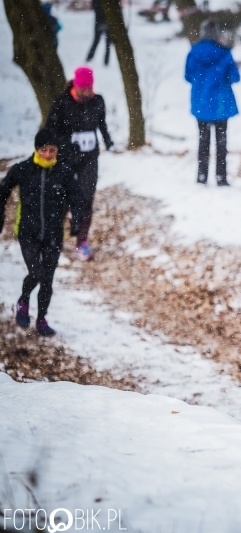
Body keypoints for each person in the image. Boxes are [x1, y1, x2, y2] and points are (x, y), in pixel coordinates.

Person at [0, 130, 85, 337]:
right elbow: (2, 193)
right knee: (36, 272)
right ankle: (23, 301)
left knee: (47, 279)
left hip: (54, 234)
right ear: (37, 149)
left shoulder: (63, 172)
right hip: (27, 232)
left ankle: (41, 319)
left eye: (52, 150)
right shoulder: (23, 169)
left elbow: (77, 199)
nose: (48, 154)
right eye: (44, 150)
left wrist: (77, 222)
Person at [45, 66, 114, 262]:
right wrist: (67, 145)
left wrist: (107, 139)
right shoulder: (62, 103)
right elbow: (51, 130)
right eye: (84, 89)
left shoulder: (97, 102)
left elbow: (102, 123)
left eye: (90, 88)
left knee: (86, 197)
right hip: (66, 158)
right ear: (76, 86)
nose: (87, 93)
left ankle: (81, 240)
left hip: (89, 157)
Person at [184, 18, 240, 186]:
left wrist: (201, 81)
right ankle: (221, 178)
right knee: (221, 143)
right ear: (216, 34)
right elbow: (235, 77)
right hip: (221, 105)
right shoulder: (224, 53)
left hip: (201, 104)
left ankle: (202, 176)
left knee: (203, 141)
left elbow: (187, 76)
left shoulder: (193, 52)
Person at [86, 0, 113, 66]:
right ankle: (105, 61)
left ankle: (90, 58)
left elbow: (93, 7)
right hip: (105, 21)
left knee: (97, 41)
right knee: (105, 43)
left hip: (100, 21)